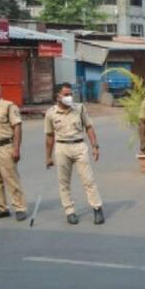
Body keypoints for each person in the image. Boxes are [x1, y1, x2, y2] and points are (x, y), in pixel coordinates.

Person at [44, 83, 104, 225]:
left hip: (79, 146)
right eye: (66, 94)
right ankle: (70, 211)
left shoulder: (79, 108)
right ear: (57, 96)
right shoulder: (51, 113)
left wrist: (95, 146)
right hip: (61, 148)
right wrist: (47, 157)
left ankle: (97, 208)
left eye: (70, 94)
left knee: (88, 180)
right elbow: (49, 136)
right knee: (64, 182)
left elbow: (89, 127)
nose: (69, 97)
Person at [0, 82, 27, 221]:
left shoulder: (8, 106)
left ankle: (20, 207)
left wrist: (16, 148)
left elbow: (17, 127)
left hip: (5, 147)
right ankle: (2, 208)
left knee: (11, 179)